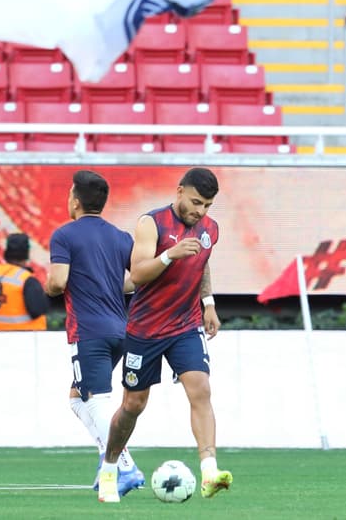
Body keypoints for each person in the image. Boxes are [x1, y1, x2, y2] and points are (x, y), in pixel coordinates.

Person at [99, 167, 231, 503]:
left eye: (207, 206)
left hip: (185, 325)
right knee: (133, 405)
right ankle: (110, 468)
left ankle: (210, 471)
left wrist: (208, 302)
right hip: (145, 328)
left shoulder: (210, 230)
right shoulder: (151, 223)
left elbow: (202, 264)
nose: (200, 211)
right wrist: (169, 254)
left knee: (200, 389)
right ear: (179, 191)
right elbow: (139, 274)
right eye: (196, 202)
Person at [44, 170, 143, 498]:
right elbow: (137, 280)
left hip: (87, 330)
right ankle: (107, 457)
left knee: (95, 400)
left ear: (74, 199)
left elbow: (58, 282)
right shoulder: (120, 237)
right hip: (120, 329)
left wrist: (49, 284)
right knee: (77, 396)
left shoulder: (65, 235)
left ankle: (124, 465)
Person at [0, 233, 48, 331]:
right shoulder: (27, 279)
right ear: (27, 254)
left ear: (6, 252)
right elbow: (38, 310)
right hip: (28, 337)